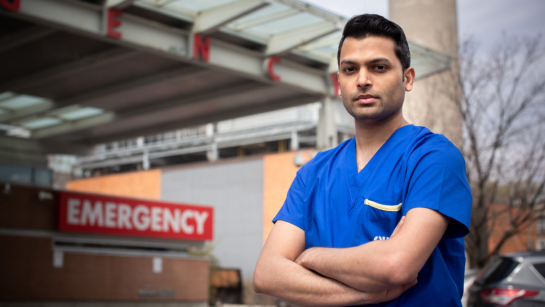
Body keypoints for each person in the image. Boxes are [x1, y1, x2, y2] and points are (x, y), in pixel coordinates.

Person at [253, 14, 472, 306]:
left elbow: (397, 264)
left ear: (407, 78)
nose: (363, 80)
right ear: (339, 82)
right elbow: (267, 274)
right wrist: (368, 291)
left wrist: (311, 256)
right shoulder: (314, 172)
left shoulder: (432, 158)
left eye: (379, 67)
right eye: (350, 69)